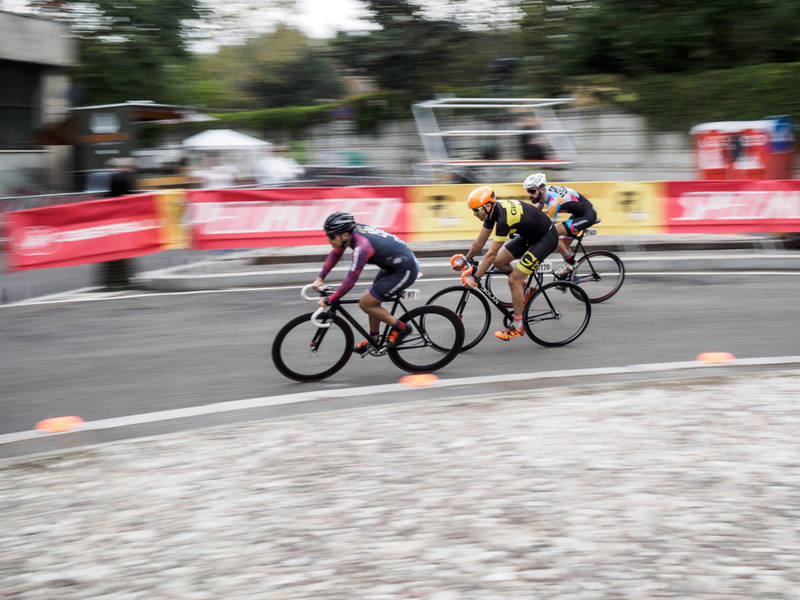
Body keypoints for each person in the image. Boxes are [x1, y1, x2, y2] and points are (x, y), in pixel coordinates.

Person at [455, 185, 558, 341]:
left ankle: (518, 325)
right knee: (499, 261)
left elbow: (490, 254)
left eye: (476, 210)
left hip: (545, 239)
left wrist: (475, 278)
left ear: (487, 206)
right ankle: (523, 287)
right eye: (473, 211)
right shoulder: (492, 213)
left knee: (514, 280)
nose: (475, 214)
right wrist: (466, 259)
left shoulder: (503, 218)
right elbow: (479, 243)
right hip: (529, 236)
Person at [312, 212, 419, 353]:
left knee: (366, 302)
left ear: (345, 235)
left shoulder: (362, 247)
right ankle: (374, 339)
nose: (328, 239)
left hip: (405, 269)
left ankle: (402, 328)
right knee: (371, 299)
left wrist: (330, 299)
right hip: (392, 266)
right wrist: (320, 278)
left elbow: (351, 279)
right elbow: (336, 253)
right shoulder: (349, 234)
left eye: (331, 236)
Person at [523, 173, 598, 278]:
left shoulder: (554, 200)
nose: (530, 195)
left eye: (532, 191)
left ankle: (571, 263)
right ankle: (570, 273)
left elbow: (549, 227)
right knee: (564, 245)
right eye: (528, 191)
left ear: (542, 189)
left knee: (553, 233)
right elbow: (535, 215)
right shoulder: (542, 195)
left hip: (587, 216)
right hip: (578, 214)